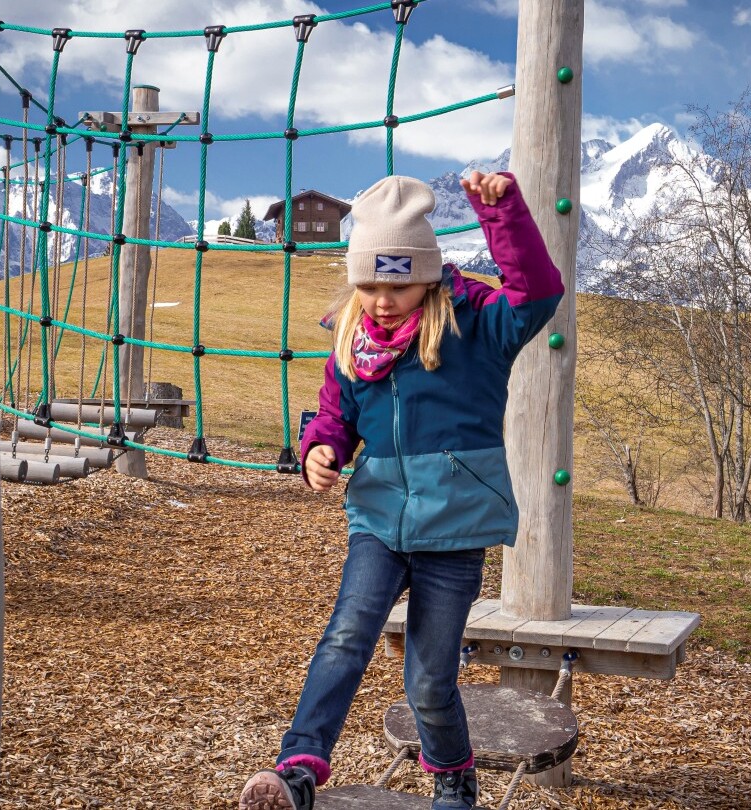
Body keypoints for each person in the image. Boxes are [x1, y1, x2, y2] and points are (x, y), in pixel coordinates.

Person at [239, 170, 563, 810]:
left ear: (431, 276)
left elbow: (537, 293)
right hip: (379, 520)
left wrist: (501, 214)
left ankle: (451, 775)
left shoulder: (476, 328)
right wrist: (321, 446)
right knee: (345, 635)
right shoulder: (352, 343)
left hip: (455, 528)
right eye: (368, 283)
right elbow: (336, 413)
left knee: (429, 677)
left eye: (398, 282)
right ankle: (298, 768)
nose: (381, 299)